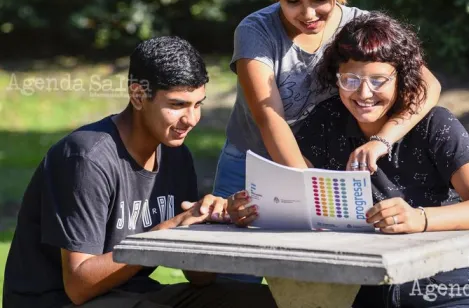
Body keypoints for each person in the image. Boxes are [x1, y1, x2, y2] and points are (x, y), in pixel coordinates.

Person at [228, 12, 469, 307]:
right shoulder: (326, 122)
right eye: (350, 79)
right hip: (361, 291)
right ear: (335, 77)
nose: (364, 93)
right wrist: (248, 208)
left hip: (443, 289)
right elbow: (296, 198)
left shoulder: (436, 125)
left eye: (378, 80)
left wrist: (419, 218)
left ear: (402, 77)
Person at [3, 37, 277, 308]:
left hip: (134, 293)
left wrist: (209, 225)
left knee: (267, 301)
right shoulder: (85, 159)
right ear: (137, 96)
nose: (191, 120)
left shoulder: (176, 156)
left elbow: (200, 278)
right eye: (177, 105)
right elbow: (79, 287)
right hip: (59, 300)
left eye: (198, 104)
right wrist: (164, 233)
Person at [213, 0, 441, 204]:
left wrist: (381, 140)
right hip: (252, 164)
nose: (308, 14)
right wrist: (307, 190)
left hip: (326, 164)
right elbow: (270, 119)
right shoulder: (256, 31)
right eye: (292, 1)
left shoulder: (359, 26)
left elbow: (428, 86)